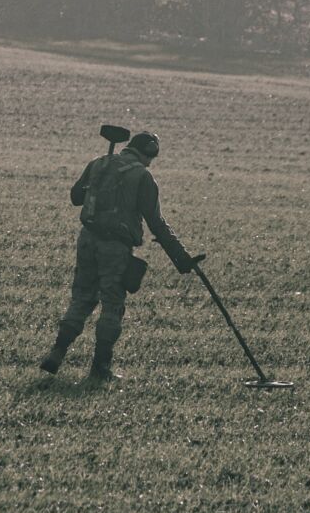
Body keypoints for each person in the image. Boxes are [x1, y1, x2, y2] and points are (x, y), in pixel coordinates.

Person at [39, 129, 198, 383]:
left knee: (81, 298)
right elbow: (156, 222)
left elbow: (75, 197)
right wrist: (181, 258)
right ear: (148, 154)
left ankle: (57, 352)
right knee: (112, 304)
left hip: (87, 240)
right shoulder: (142, 176)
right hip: (115, 247)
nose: (150, 163)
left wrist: (98, 183)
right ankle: (100, 369)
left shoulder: (99, 163)